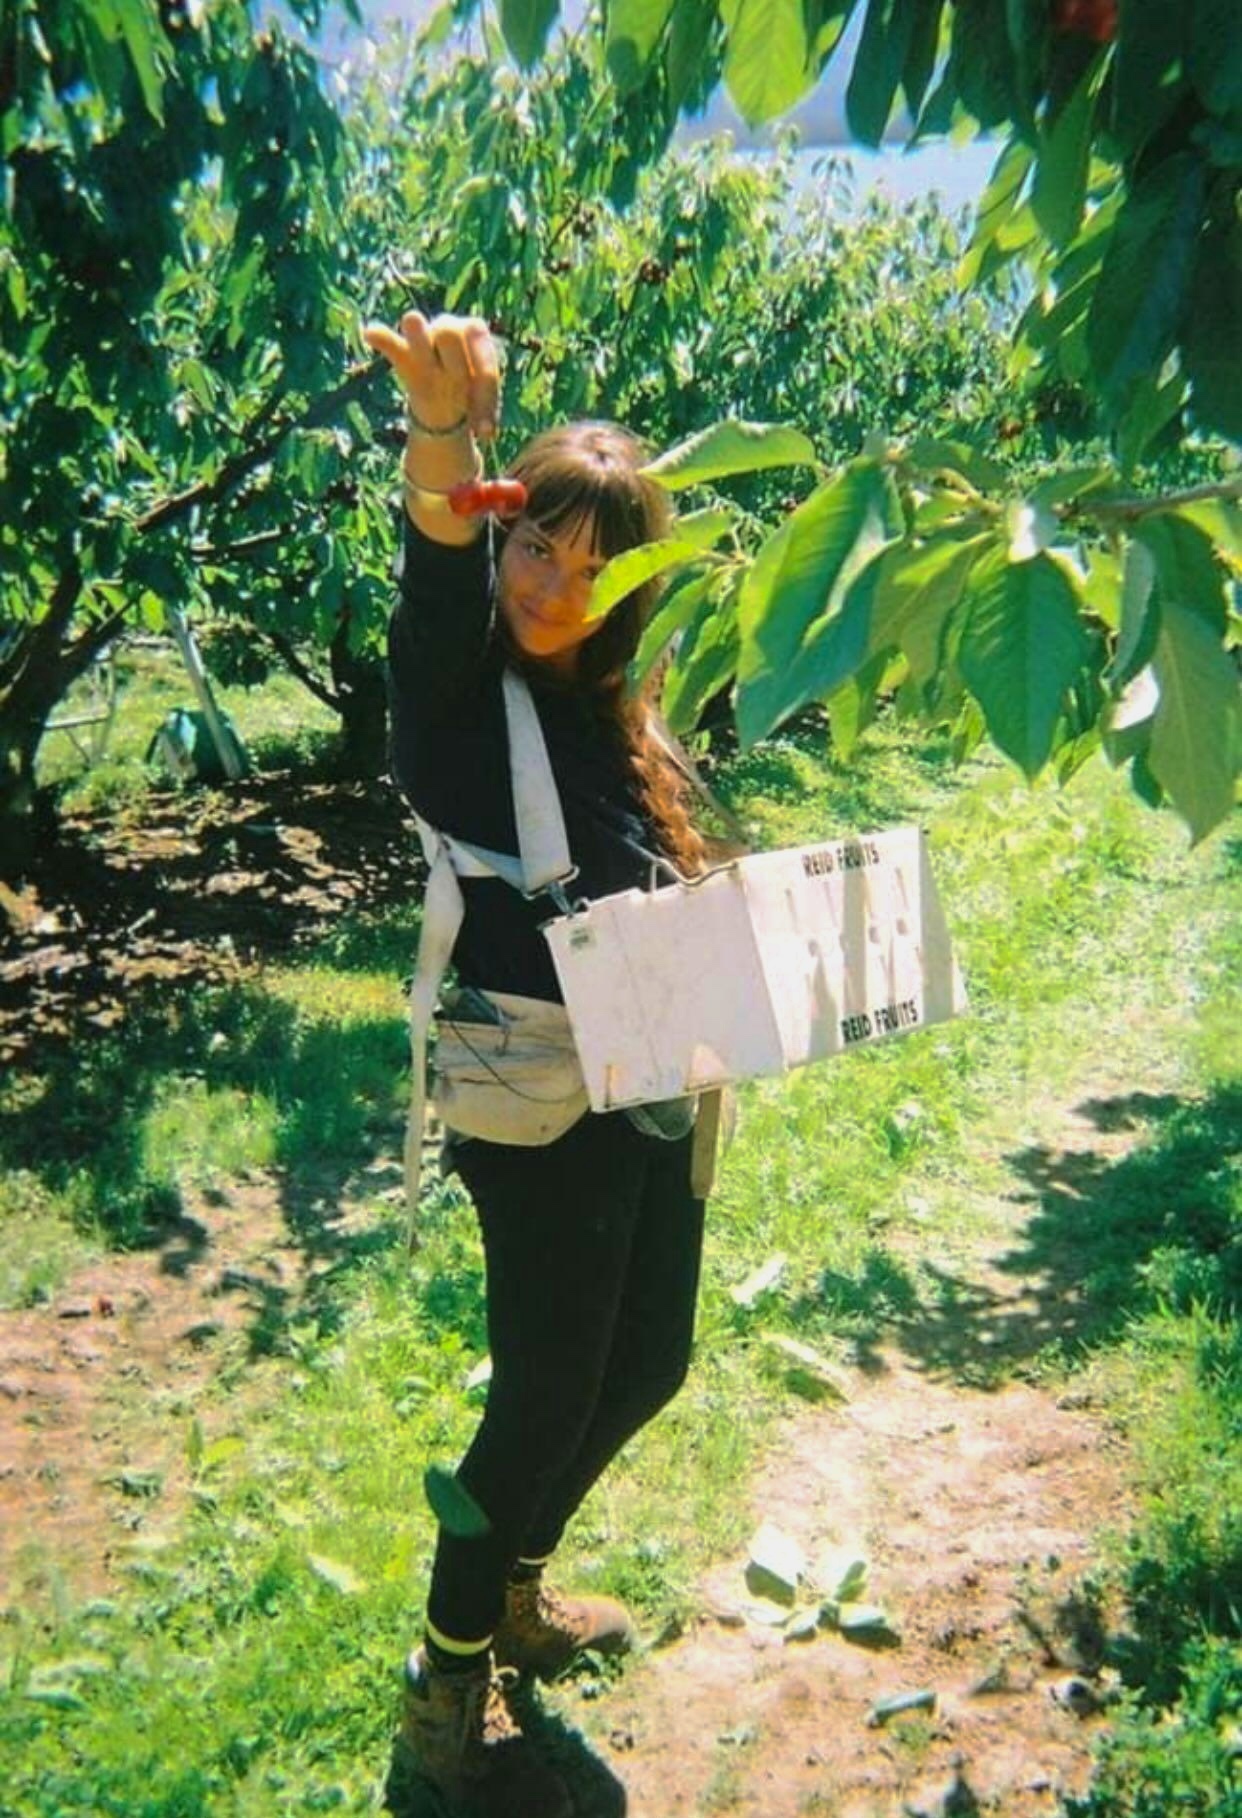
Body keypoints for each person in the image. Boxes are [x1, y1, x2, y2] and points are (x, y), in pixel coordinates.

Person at [362, 309, 712, 1818]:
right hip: (539, 1092)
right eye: (535, 551)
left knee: (645, 1363)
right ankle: (445, 1678)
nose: (554, 590)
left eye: (591, 567)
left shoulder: (606, 710)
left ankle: (514, 1588)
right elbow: (435, 568)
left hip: (651, 1077)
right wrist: (445, 441)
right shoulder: (458, 699)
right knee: (542, 1396)